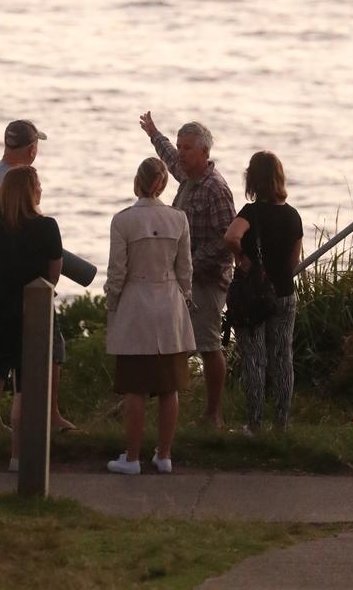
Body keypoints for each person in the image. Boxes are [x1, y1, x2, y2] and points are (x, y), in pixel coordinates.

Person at [140, 112, 235, 428]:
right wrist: (154, 133)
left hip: (207, 281)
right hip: (186, 280)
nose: (180, 153)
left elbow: (227, 238)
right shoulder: (188, 176)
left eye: (188, 148)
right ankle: (174, 406)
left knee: (208, 345)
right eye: (180, 147)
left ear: (205, 153)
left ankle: (214, 414)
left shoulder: (215, 188)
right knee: (178, 342)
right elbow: (167, 157)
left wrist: (189, 266)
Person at [0, 118, 74, 432]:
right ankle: (46, 417)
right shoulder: (22, 185)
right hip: (28, 290)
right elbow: (51, 267)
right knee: (49, 352)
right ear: (32, 149)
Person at [105, 157, 194, 474]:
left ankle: (131, 457)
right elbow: (185, 270)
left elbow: (118, 271)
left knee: (135, 386)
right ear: (163, 184)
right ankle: (165, 454)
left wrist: (112, 302)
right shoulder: (178, 219)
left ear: (137, 181)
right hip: (169, 304)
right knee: (169, 386)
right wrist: (186, 297)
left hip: (136, 303)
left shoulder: (123, 220)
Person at [0, 165, 63, 469]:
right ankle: (17, 456)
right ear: (31, 190)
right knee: (25, 381)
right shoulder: (47, 226)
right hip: (33, 304)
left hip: (1, 301)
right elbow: (53, 274)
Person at [223, 151, 303, 430]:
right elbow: (294, 261)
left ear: (253, 180)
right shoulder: (293, 216)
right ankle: (282, 422)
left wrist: (243, 260)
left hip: (253, 297)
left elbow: (231, 236)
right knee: (282, 357)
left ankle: (254, 423)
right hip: (284, 294)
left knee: (254, 358)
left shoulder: (251, 213)